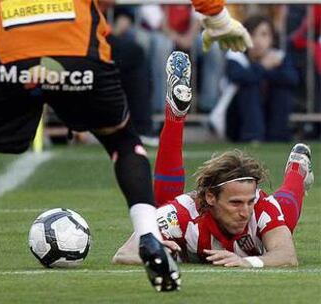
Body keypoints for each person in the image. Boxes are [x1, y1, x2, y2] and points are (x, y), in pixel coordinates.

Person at [0, 0, 252, 294]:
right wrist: (217, 16)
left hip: (6, 68)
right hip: (80, 63)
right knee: (123, 142)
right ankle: (149, 236)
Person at [113, 51, 314, 267]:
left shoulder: (261, 207)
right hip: (181, 216)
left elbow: (287, 256)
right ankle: (175, 114)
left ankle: (297, 169)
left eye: (250, 201)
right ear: (210, 197)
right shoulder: (180, 213)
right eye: (236, 203)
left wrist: (247, 262)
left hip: (260, 226)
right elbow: (122, 254)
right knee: (163, 206)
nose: (245, 211)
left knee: (283, 212)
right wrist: (153, 254)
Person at [225, 16, 299, 142]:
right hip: (237, 122)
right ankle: (253, 137)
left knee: (281, 90)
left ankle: (278, 137)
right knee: (249, 86)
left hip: (269, 118)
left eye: (264, 35)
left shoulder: (277, 57)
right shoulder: (236, 56)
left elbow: (293, 79)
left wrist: (267, 71)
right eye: (252, 35)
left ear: (272, 38)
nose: (258, 41)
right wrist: (263, 66)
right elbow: (238, 77)